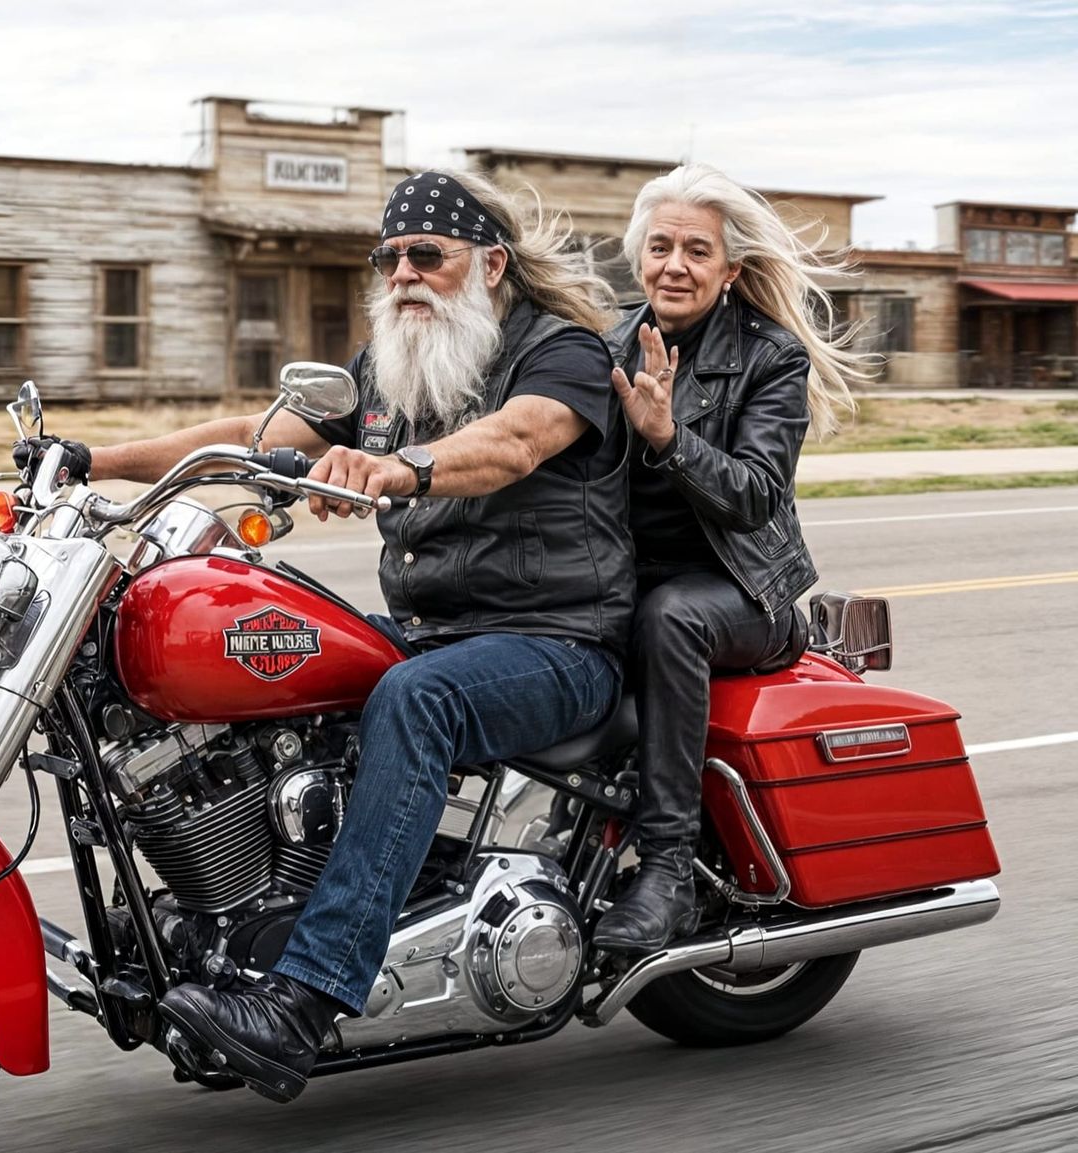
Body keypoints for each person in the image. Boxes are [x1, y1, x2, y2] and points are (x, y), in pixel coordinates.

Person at [82, 169, 634, 1102]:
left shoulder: (560, 350)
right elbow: (250, 435)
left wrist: (398, 467)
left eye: (429, 255)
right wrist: (93, 460)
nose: (405, 274)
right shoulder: (388, 368)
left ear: (491, 264)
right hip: (437, 628)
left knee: (415, 699)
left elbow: (515, 443)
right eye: (390, 259)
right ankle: (230, 923)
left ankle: (301, 1003)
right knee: (267, 655)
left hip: (559, 641)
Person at [591, 163, 871, 954]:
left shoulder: (771, 356)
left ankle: (670, 869)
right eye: (660, 246)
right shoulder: (606, 344)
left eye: (696, 251)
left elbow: (753, 494)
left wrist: (669, 439)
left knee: (669, 617)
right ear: (637, 256)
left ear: (729, 270)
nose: (674, 265)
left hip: (743, 594)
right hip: (627, 580)